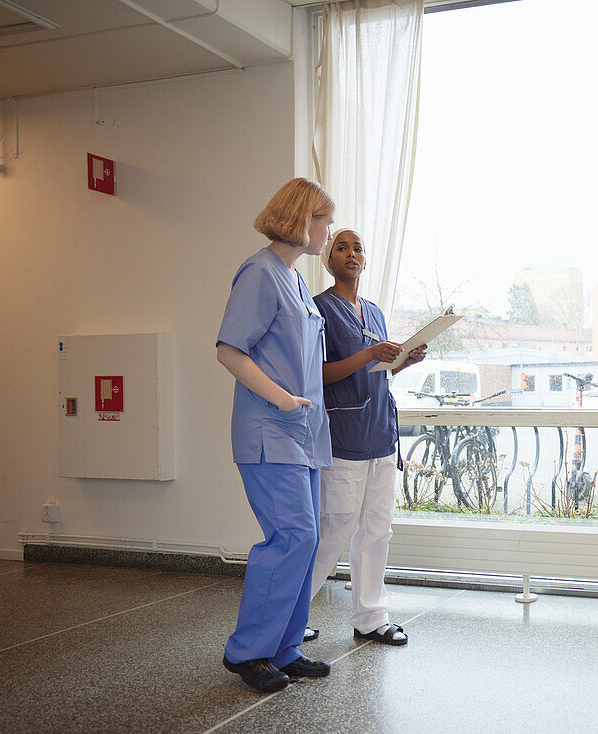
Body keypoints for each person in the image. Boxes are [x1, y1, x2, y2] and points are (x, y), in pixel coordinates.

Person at [215, 178, 335, 693]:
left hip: (302, 436)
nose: (329, 232)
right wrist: (282, 399)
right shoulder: (260, 273)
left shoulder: (296, 282)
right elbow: (228, 349)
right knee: (293, 536)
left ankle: (284, 648)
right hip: (270, 432)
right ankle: (248, 652)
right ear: (302, 219)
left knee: (306, 543)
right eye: (325, 221)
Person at [306, 227, 426, 646]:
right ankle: (291, 616)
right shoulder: (318, 309)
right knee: (335, 528)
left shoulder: (374, 312)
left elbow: (378, 371)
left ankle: (371, 618)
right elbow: (319, 373)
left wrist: (404, 361)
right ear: (329, 258)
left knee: (378, 528)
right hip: (345, 434)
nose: (351, 253)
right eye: (342, 247)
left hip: (380, 433)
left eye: (358, 248)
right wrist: (370, 354)